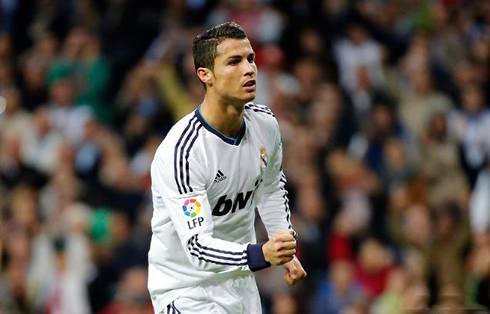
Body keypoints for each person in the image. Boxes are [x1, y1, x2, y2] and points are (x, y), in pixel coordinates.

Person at [147, 22, 307, 314]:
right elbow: (197, 246)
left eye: (250, 59)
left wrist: (282, 245)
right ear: (205, 75)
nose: (249, 69)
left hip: (241, 286)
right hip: (187, 290)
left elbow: (270, 187)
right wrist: (262, 254)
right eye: (234, 62)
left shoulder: (265, 124)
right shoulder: (183, 153)